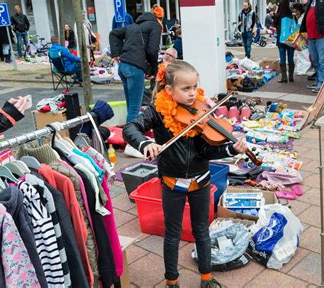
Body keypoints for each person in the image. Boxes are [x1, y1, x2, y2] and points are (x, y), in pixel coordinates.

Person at [123, 61, 247, 288]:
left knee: (202, 230)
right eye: (186, 89)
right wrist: (145, 144)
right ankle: (171, 280)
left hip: (200, 180)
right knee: (172, 232)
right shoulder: (157, 112)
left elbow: (206, 150)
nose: (192, 94)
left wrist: (230, 148)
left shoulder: (200, 110)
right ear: (169, 90)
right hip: (172, 183)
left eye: (194, 87)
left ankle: (207, 278)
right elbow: (130, 128)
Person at [110, 11, 162, 123]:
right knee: (134, 109)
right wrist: (154, 70)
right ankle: (131, 137)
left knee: (130, 107)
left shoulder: (132, 26)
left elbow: (113, 33)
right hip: (135, 67)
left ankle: (128, 133)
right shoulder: (155, 25)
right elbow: (152, 50)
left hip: (123, 66)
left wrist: (116, 53)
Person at [300, 0, 324, 93]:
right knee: (315, 61)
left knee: (322, 60)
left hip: (323, 36)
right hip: (311, 36)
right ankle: (318, 81)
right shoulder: (312, 2)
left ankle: (322, 83)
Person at [275, 0, 296, 83]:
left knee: (282, 58)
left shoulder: (278, 16)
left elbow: (274, 25)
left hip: (281, 40)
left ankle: (284, 77)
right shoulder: (291, 16)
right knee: (291, 58)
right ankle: (291, 76)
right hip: (290, 40)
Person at [293, 3, 311, 77]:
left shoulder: (303, 17)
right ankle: (300, 70)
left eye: (296, 11)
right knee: (300, 54)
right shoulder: (299, 17)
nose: (295, 13)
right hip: (300, 38)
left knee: (304, 54)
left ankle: (303, 70)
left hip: (303, 37)